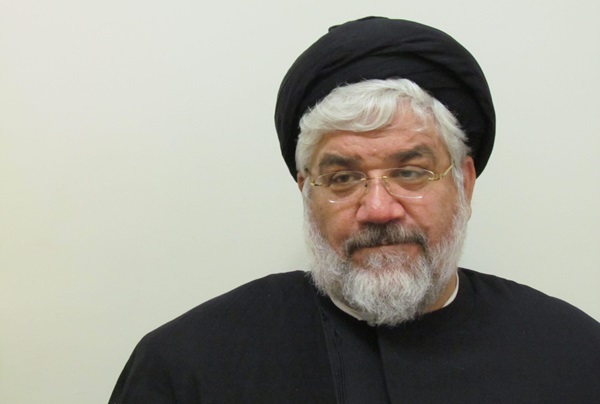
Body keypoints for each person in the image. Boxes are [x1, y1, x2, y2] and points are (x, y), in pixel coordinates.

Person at [109, 17, 600, 403]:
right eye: (343, 178)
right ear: (306, 192)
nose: (379, 209)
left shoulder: (575, 355)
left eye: (410, 172)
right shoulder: (187, 365)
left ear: (464, 184)